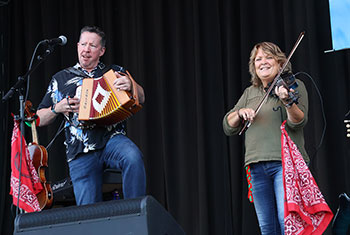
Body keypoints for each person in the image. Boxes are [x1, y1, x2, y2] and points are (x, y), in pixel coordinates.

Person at [36, 26, 146, 206]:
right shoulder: (61, 79)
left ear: (101, 51)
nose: (86, 49)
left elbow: (141, 96)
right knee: (88, 210)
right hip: (80, 151)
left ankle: (136, 212)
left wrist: (131, 85)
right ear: (77, 46)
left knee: (133, 157)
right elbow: (39, 118)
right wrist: (57, 108)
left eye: (92, 46)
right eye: (83, 44)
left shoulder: (113, 72)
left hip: (111, 139)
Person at [223, 42, 309, 235]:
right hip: (255, 166)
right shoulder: (250, 92)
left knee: (285, 220)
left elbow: (298, 122)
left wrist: (287, 101)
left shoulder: (294, 85)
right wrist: (240, 112)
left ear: (280, 63)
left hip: (285, 164)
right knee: (267, 227)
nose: (263, 62)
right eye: (258, 59)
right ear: (254, 66)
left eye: (268, 57)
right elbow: (228, 126)